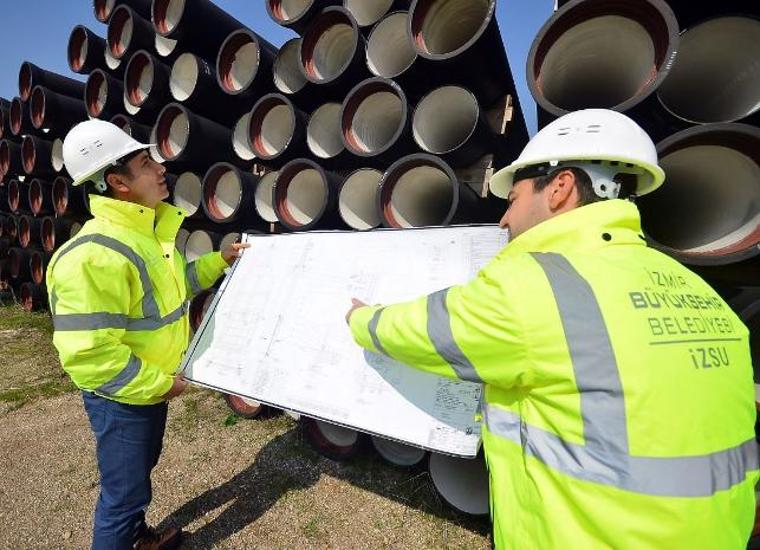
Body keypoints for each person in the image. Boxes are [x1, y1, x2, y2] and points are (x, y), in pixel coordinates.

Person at [346, 109, 758, 549]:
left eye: (514, 199)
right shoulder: (698, 291)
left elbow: (428, 331)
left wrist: (361, 319)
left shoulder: (539, 285)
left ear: (559, 188)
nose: (504, 219)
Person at [46, 120, 248, 550]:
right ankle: (126, 535)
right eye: (145, 163)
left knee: (138, 473)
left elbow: (177, 288)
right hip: (124, 397)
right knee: (123, 496)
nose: (160, 169)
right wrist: (162, 383)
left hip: (150, 388)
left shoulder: (147, 236)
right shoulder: (93, 256)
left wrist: (220, 261)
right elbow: (91, 356)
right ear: (118, 182)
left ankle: (138, 539)